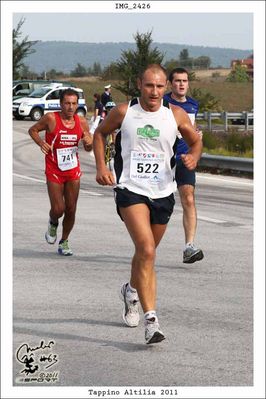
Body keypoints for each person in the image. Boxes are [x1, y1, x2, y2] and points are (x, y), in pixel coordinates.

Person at [93, 64, 202, 344]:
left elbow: (195, 141)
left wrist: (194, 157)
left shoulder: (174, 114)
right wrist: (101, 167)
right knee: (147, 250)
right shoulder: (124, 111)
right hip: (131, 189)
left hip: (163, 193)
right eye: (149, 86)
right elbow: (100, 134)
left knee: (146, 255)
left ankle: (130, 290)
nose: (154, 92)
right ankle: (151, 321)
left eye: (159, 86)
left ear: (165, 87)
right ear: (139, 84)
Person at [28, 88, 93, 256]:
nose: (70, 107)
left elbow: (88, 147)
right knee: (58, 208)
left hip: (72, 170)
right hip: (54, 168)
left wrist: (88, 142)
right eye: (67, 103)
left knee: (71, 209)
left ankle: (64, 241)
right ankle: (53, 221)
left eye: (73, 103)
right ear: (60, 104)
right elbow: (33, 130)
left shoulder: (82, 122)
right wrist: (41, 143)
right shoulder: (51, 118)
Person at [164, 67, 204, 264]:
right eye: (178, 81)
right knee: (159, 204)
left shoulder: (193, 104)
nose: (181, 84)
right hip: (162, 159)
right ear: (171, 83)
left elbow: (191, 128)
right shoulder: (162, 102)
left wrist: (196, 135)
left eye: (185, 81)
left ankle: (189, 246)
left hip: (185, 158)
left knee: (188, 198)